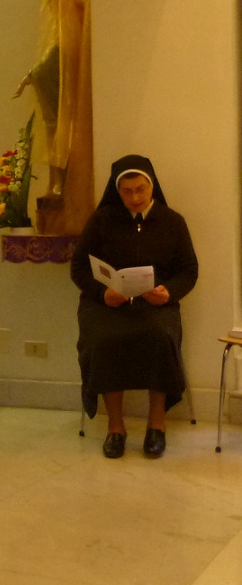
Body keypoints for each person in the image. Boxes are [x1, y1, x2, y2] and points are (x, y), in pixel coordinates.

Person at [70, 155, 198, 459]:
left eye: (140, 189)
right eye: (127, 191)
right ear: (117, 191)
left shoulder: (172, 221)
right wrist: (103, 293)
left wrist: (169, 293)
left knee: (160, 336)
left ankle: (157, 424)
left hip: (156, 306)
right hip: (106, 305)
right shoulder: (102, 220)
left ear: (152, 186)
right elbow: (78, 267)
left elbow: (189, 270)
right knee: (103, 339)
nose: (135, 198)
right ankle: (116, 427)